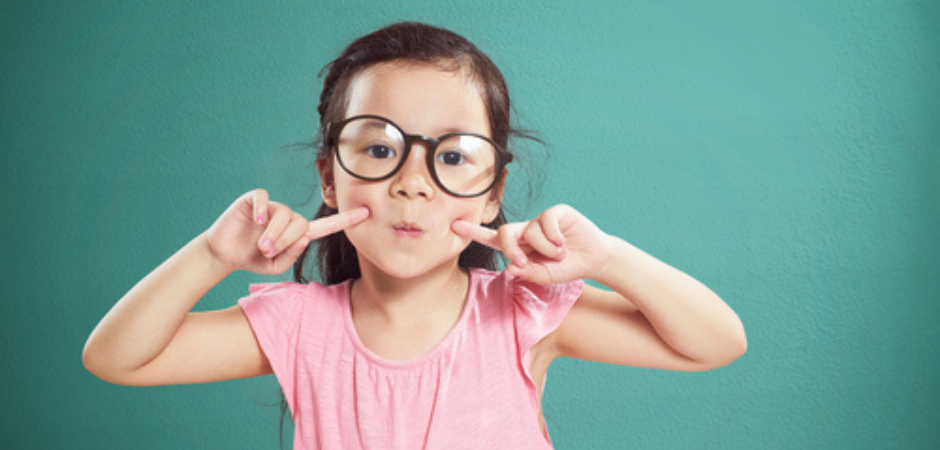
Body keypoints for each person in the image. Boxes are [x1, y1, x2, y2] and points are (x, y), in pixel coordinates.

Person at [83, 22, 746, 449]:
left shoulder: (522, 314)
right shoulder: (298, 325)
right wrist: (210, 256)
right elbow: (116, 358)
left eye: (452, 157)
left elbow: (715, 343)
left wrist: (609, 259)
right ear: (329, 178)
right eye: (378, 150)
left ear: (493, 191)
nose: (413, 184)